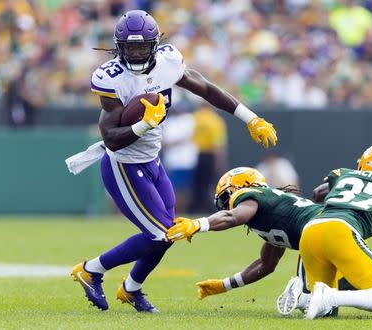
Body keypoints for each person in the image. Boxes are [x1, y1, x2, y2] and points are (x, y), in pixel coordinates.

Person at [70, 10, 277, 313]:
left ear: (155, 45)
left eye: (143, 47)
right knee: (161, 232)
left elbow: (205, 88)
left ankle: (131, 288)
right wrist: (143, 125)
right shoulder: (111, 78)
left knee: (171, 231)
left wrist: (250, 117)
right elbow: (112, 138)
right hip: (123, 164)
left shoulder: (168, 61)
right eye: (131, 47)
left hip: (152, 161)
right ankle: (91, 269)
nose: (137, 53)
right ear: (118, 47)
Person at [166, 166, 372, 315]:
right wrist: (224, 285)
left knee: (328, 303)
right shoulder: (274, 214)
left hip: (322, 233)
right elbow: (265, 265)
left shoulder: (252, 198)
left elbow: (233, 216)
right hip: (321, 238)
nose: (228, 203)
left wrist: (199, 224)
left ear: (243, 187)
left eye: (228, 196)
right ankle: (306, 295)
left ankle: (308, 295)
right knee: (325, 309)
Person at [297, 143, 372, 319]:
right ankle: (329, 295)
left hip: (311, 231)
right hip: (341, 231)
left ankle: (304, 294)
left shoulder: (344, 173)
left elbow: (318, 194)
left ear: (362, 162)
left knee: (325, 312)